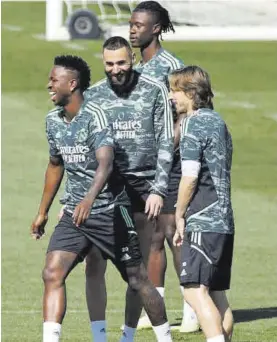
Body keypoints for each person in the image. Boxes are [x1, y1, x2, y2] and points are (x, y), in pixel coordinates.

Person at [30, 54, 173, 342]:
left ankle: (165, 337)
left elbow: (105, 163)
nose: (48, 85)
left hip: (109, 211)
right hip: (74, 216)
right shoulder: (53, 121)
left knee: (137, 279)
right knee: (52, 272)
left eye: (53, 80)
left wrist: (89, 200)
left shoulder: (95, 117)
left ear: (71, 84)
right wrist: (43, 211)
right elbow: (56, 164)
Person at [85, 36, 174, 342]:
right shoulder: (93, 95)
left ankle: (128, 336)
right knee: (94, 261)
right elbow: (85, 150)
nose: (116, 69)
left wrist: (159, 190)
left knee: (137, 271)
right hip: (107, 189)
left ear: (132, 59)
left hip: (144, 188)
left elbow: (166, 141)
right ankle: (99, 337)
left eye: (121, 62)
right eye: (109, 64)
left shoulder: (154, 90)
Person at [129, 0, 199, 332]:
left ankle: (192, 308)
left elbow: (185, 115)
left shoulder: (172, 66)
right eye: (130, 24)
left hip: (168, 165)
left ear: (155, 28)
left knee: (173, 234)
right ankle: (154, 308)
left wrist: (167, 155)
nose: (132, 29)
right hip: (139, 169)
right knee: (150, 238)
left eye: (139, 25)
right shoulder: (130, 65)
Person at [169, 65, 235, 342]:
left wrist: (179, 214)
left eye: (175, 90)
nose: (171, 97)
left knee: (194, 290)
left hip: (203, 217)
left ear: (191, 93)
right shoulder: (219, 122)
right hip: (224, 220)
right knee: (217, 294)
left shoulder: (193, 123)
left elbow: (190, 177)